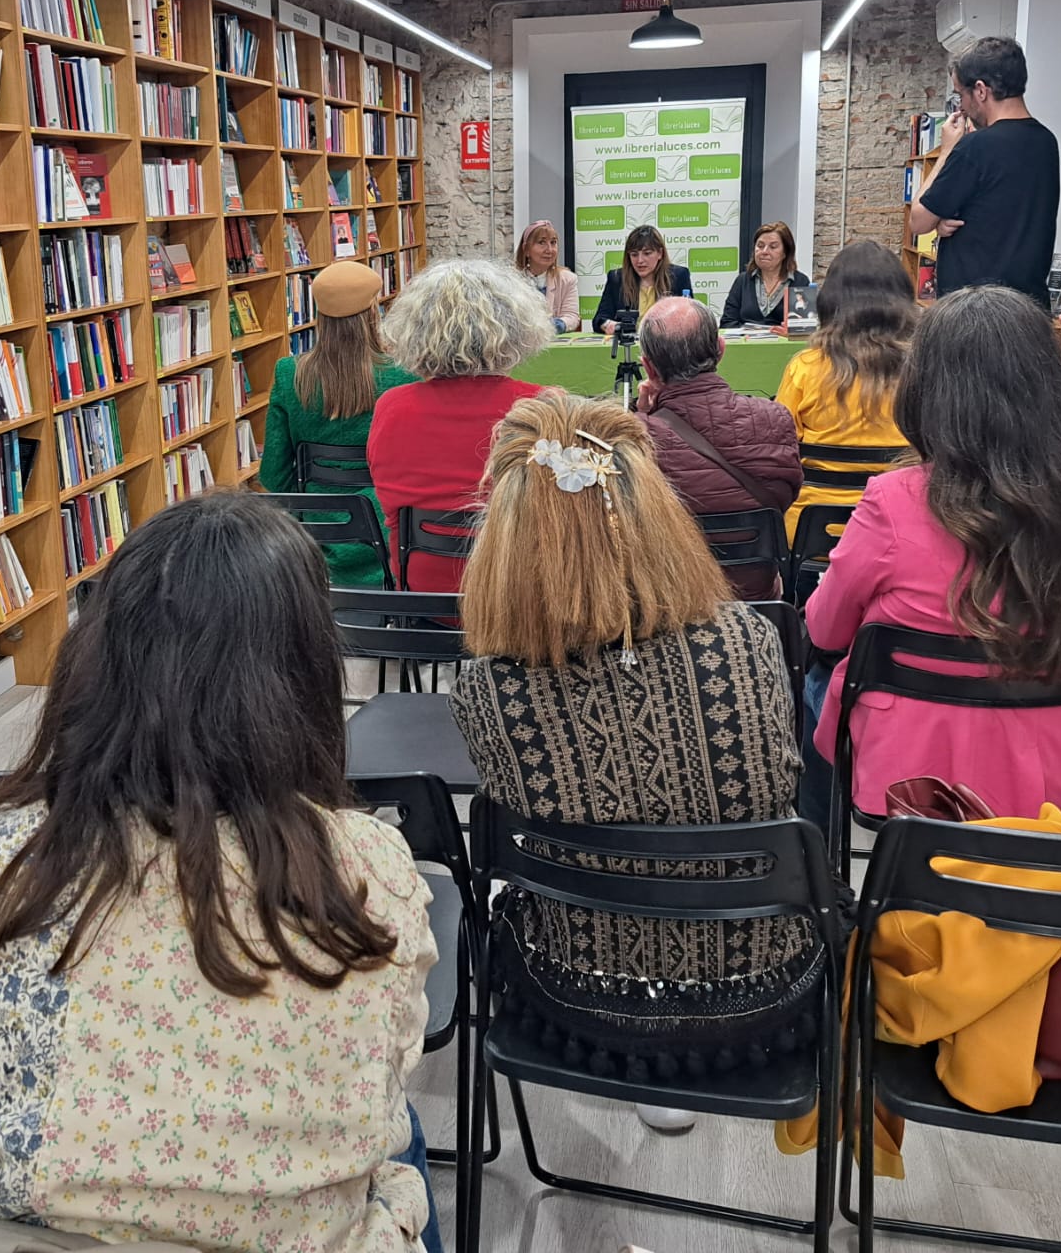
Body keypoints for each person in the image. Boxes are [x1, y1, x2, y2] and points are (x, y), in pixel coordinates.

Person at [0, 493, 440, 1253]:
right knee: (401, 1152)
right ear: (305, 673)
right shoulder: (365, 874)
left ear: (99, 657)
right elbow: (390, 1059)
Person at [452, 390, 818, 1136]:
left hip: (577, 996)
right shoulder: (747, 641)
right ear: (657, 514)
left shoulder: (489, 691)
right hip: (765, 992)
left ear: (503, 534)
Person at [804, 286, 1061, 821]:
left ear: (927, 391)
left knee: (814, 677)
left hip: (917, 778)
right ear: (1054, 385)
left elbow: (825, 630)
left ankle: (824, 885)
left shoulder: (893, 501)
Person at [370, 259, 549, 591]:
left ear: (415, 330)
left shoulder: (391, 408)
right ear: (516, 328)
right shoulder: (544, 406)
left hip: (421, 594)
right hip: (515, 597)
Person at [260, 259, 418, 587]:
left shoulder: (289, 375)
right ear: (374, 313)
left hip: (318, 539)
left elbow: (273, 474)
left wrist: (307, 510)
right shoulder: (403, 376)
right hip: (390, 537)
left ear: (319, 316)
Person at [635, 297, 802, 598]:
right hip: (757, 599)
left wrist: (645, 415)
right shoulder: (776, 419)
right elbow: (784, 498)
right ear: (721, 349)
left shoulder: (636, 438)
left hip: (675, 602)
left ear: (648, 367)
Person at [774, 238, 916, 536]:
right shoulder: (923, 369)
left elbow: (780, 449)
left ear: (830, 301)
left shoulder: (805, 368)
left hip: (812, 531)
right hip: (901, 529)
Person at [909, 36, 1061, 307]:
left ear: (980, 90)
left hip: (975, 314)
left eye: (960, 95)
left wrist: (946, 152)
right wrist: (947, 219)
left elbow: (919, 221)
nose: (962, 107)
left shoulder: (975, 147)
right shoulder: (1046, 141)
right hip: (1029, 310)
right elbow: (999, 209)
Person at [592, 224, 695, 335]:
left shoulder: (679, 276)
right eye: (634, 254)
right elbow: (599, 320)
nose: (640, 260)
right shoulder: (617, 278)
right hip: (628, 346)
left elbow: (690, 319)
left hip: (666, 346)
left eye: (647, 253)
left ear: (660, 253)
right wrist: (608, 325)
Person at [718, 221, 812, 328]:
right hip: (747, 342)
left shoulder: (800, 281)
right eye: (760, 246)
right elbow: (727, 322)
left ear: (785, 252)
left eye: (773, 247)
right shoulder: (743, 280)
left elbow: (805, 327)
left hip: (783, 343)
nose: (764, 251)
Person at [515, 219, 580, 331]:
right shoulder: (511, 279)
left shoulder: (567, 279)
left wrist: (553, 326)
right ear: (526, 249)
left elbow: (572, 317)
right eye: (541, 242)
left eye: (553, 243)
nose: (549, 250)